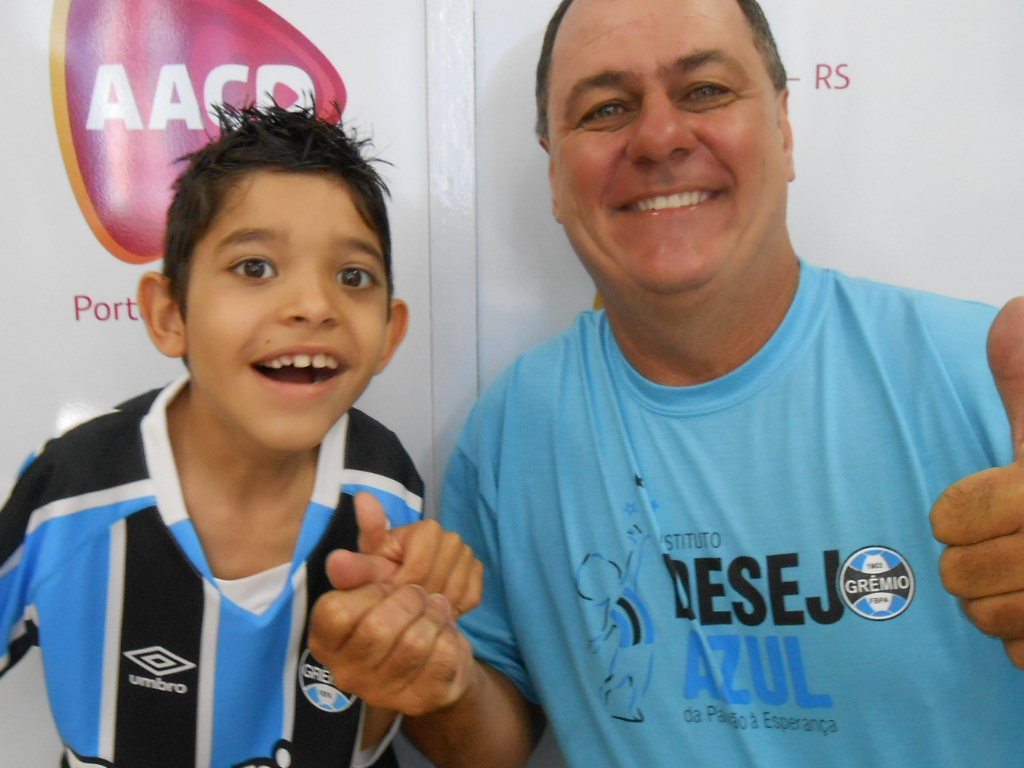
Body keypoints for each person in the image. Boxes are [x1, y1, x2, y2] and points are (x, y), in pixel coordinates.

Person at [308, 0, 1024, 766]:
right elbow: (494, 740)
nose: (658, 137)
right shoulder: (516, 427)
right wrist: (437, 683)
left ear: (784, 128)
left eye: (706, 91)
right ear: (555, 172)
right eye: (606, 108)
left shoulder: (985, 376)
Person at [0, 103, 481, 768]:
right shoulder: (69, 491)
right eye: (255, 267)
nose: (314, 306)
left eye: (353, 276)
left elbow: (380, 718)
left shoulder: (383, 482)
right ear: (170, 315)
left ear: (389, 336)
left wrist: (424, 627)